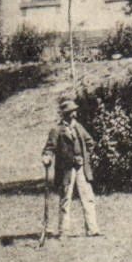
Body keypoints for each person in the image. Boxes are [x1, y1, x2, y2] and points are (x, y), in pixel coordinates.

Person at [43, 96, 101, 237]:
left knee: (88, 198)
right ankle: (64, 230)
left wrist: (86, 155)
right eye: (71, 112)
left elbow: (89, 142)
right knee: (65, 199)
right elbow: (49, 148)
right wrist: (47, 157)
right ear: (65, 114)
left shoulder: (78, 127)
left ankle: (92, 229)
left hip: (81, 168)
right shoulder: (56, 130)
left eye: (74, 111)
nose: (74, 114)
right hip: (66, 170)